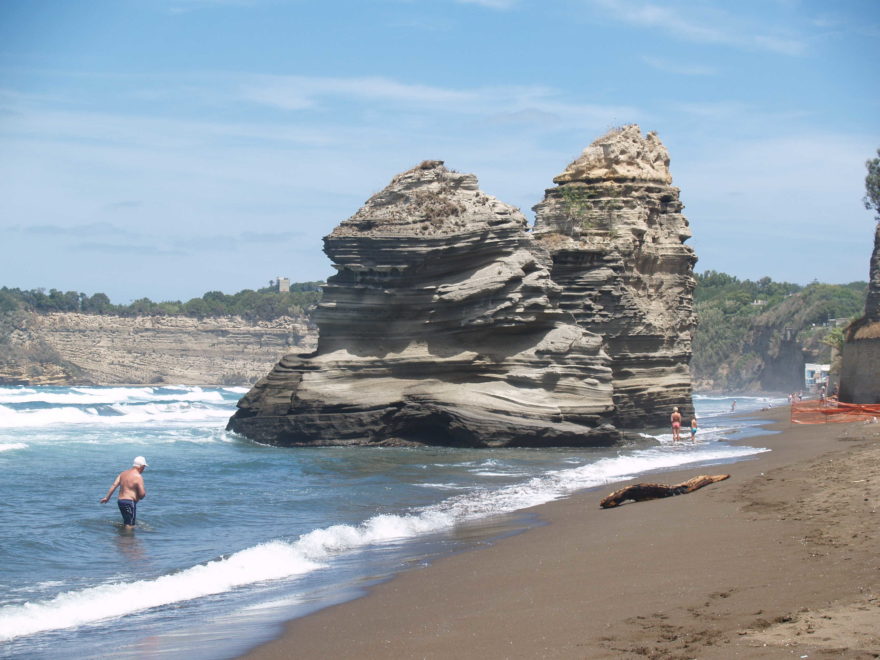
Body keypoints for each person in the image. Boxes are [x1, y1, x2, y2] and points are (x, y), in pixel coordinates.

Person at [100, 456, 148, 529]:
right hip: (129, 502)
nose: (144, 470)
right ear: (141, 466)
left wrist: (107, 497)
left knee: (126, 521)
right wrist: (143, 494)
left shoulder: (123, 473)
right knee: (130, 525)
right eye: (144, 467)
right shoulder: (138, 476)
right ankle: (127, 539)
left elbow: (114, 485)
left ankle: (122, 537)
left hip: (120, 501)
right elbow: (141, 495)